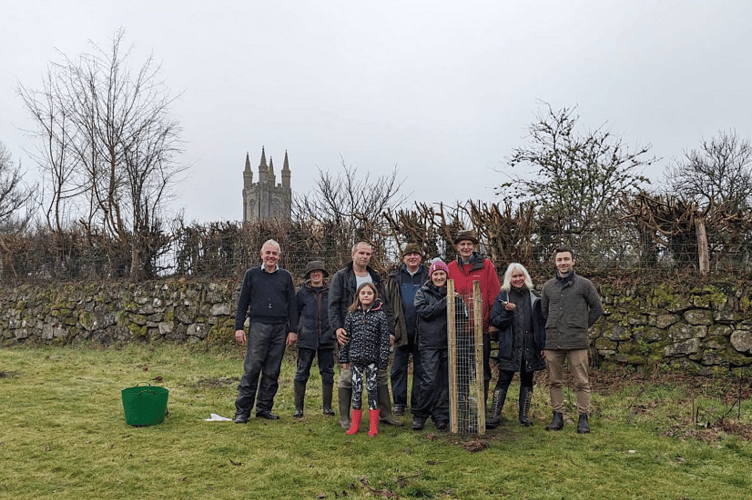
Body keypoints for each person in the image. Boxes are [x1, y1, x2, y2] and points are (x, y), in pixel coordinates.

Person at [328, 242, 403, 428]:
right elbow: (333, 305)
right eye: (361, 253)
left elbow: (386, 306)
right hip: (349, 332)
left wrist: (391, 332)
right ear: (352, 254)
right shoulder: (341, 277)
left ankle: (385, 414)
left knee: (380, 374)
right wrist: (337, 328)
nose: (364, 256)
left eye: (368, 254)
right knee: (347, 375)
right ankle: (345, 417)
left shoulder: (375, 278)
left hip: (375, 334)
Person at [233, 239, 298, 423]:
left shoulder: (286, 276)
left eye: (274, 253)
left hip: (280, 328)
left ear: (279, 256)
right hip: (258, 326)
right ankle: (242, 411)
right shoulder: (251, 274)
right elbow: (242, 302)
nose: (271, 256)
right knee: (252, 368)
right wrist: (239, 327)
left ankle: (264, 408)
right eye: (267, 253)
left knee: (272, 371)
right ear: (261, 255)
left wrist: (293, 330)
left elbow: (292, 305)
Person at [541, 246, 603, 434]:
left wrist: (581, 326)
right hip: (553, 341)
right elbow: (544, 312)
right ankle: (557, 416)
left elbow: (596, 309)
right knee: (554, 381)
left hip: (577, 342)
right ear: (555, 262)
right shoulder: (548, 286)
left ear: (573, 261)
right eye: (560, 260)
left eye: (566, 259)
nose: (563, 263)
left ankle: (583, 417)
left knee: (582, 382)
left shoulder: (585, 285)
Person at [446, 229, 501, 409]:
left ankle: (481, 406)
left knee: (482, 370)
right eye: (462, 244)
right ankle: (462, 404)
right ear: (457, 247)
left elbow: (494, 296)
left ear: (474, 246)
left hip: (481, 329)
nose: (466, 247)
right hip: (459, 330)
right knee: (460, 370)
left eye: (469, 244)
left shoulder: (486, 265)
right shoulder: (451, 268)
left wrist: (493, 323)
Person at [487, 263, 546, 429]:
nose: (518, 279)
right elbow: (496, 321)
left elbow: (540, 323)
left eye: (520, 276)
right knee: (504, 380)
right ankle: (495, 415)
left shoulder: (534, 296)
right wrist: (507, 311)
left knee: (527, 380)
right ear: (509, 278)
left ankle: (524, 416)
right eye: (514, 276)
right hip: (509, 346)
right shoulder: (503, 296)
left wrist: (542, 344)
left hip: (530, 346)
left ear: (525, 277)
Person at [338, 283, 391, 436]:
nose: (366, 295)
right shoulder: (352, 314)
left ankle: (373, 425)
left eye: (369, 293)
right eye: (363, 293)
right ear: (358, 296)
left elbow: (384, 341)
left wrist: (382, 361)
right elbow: (346, 338)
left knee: (372, 391)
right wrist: (344, 358)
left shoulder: (380, 315)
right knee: (356, 391)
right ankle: (355, 424)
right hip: (355, 360)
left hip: (373, 361)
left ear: (374, 295)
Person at [385, 243, 430, 417]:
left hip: (422, 329)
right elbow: (387, 304)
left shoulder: (428, 275)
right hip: (400, 329)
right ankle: (399, 402)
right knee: (398, 368)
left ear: (421, 257)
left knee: (421, 368)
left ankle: (417, 402)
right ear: (403, 258)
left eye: (416, 254)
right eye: (409, 254)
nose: (412, 257)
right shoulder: (394, 276)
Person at [411, 260, 452, 431]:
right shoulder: (422, 293)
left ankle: (441, 416)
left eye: (442, 274)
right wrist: (446, 302)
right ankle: (420, 415)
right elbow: (424, 312)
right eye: (436, 274)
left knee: (444, 382)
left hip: (449, 343)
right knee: (428, 381)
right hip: (429, 344)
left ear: (446, 276)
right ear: (431, 276)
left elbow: (461, 316)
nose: (439, 277)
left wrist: (457, 303)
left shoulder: (452, 293)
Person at [293, 260, 335, 418]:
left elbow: (337, 312)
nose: (316, 274)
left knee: (328, 372)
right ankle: (298, 408)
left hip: (327, 337)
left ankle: (327, 407)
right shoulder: (301, 294)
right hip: (306, 338)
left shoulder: (331, 292)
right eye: (313, 272)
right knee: (302, 372)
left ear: (324, 274)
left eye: (319, 272)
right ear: (309, 275)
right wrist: (294, 332)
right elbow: (294, 314)